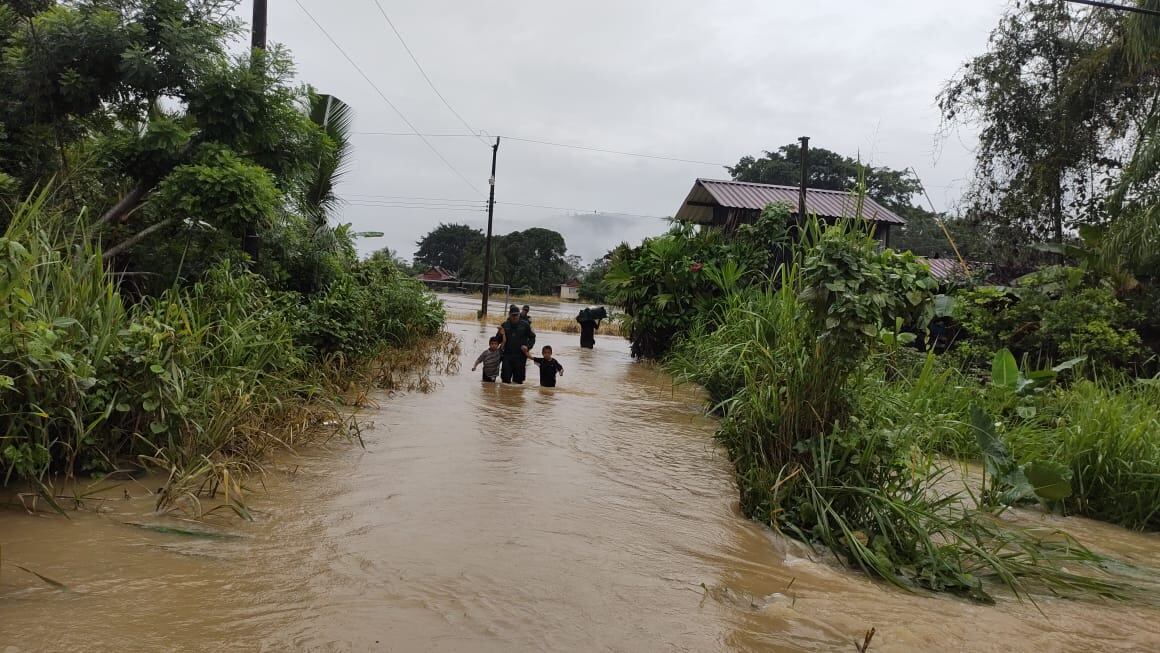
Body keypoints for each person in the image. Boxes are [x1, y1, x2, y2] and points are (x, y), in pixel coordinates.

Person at [500, 305, 535, 384]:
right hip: (507, 356)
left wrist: (528, 347)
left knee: (518, 383)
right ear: (509, 315)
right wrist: (501, 334)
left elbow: (532, 338)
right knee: (505, 382)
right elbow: (497, 340)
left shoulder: (525, 325)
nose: (515, 317)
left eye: (517, 315)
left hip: (520, 357)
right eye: (513, 315)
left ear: (519, 314)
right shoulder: (504, 325)